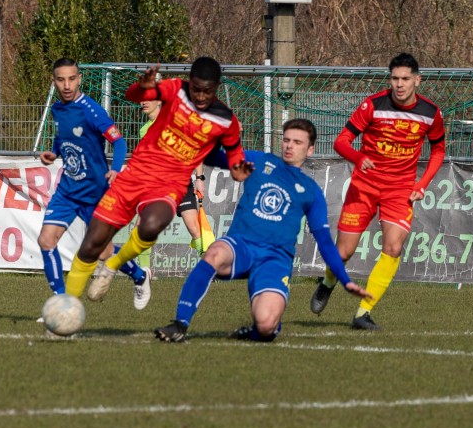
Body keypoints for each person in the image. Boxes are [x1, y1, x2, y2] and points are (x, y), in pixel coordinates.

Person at [155, 119, 371, 342]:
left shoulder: (310, 191)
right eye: (287, 140)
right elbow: (211, 158)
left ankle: (259, 332)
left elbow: (325, 242)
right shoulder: (259, 161)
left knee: (266, 324)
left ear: (310, 149)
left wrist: (345, 280)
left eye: (297, 142)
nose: (289, 146)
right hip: (242, 245)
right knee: (214, 253)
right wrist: (225, 137)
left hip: (275, 258)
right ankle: (180, 324)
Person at [64, 57, 249, 306]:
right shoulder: (176, 88)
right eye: (196, 89)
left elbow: (235, 160)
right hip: (136, 174)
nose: (201, 96)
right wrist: (143, 87)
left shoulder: (226, 120)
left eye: (208, 91)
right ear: (190, 82)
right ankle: (67, 307)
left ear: (217, 87)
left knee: (153, 223)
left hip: (170, 184)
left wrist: (239, 170)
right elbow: (133, 95)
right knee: (91, 245)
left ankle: (114, 265)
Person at [309, 52, 446, 330]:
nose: (400, 84)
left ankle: (363, 313)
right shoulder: (372, 105)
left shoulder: (431, 113)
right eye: (395, 78)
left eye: (406, 78)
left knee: (393, 248)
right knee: (344, 252)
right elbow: (342, 141)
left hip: (400, 189)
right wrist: (359, 158)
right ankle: (328, 282)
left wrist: (422, 184)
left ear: (417, 81)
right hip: (364, 186)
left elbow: (439, 150)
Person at [38, 58, 151, 309]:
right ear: (54, 81)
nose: (66, 85)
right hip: (67, 191)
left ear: (80, 79)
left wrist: (114, 169)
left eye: (71, 79)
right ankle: (61, 302)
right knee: (46, 240)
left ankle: (140, 276)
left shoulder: (91, 110)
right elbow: (62, 138)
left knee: (103, 251)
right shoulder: (57, 109)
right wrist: (54, 153)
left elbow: (119, 141)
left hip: (95, 193)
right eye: (60, 79)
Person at [140, 97, 213, 258]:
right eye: (142, 99)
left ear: (159, 101)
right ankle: (143, 272)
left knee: (194, 227)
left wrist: (199, 178)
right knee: (145, 227)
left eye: (148, 99)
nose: (143, 102)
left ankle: (208, 267)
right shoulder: (144, 130)